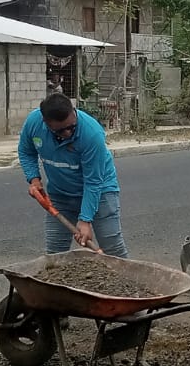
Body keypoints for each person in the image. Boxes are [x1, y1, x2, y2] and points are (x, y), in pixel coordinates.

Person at [17, 93, 128, 258]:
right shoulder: (34, 123)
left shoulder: (91, 133)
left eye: (71, 127)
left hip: (100, 192)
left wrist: (85, 220)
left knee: (113, 250)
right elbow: (26, 151)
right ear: (45, 122)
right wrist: (34, 180)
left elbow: (93, 181)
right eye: (60, 130)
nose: (68, 133)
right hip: (60, 194)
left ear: (73, 112)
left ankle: (127, 274)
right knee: (55, 254)